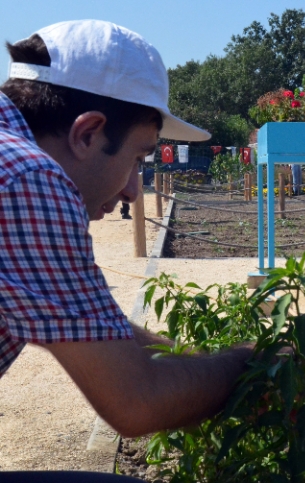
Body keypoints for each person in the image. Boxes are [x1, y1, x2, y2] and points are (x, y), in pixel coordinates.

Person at [0, 20, 255, 480]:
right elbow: (136, 402)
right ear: (87, 134)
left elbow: (92, 327)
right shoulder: (29, 178)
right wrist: (251, 365)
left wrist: (201, 358)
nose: (135, 192)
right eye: (138, 159)